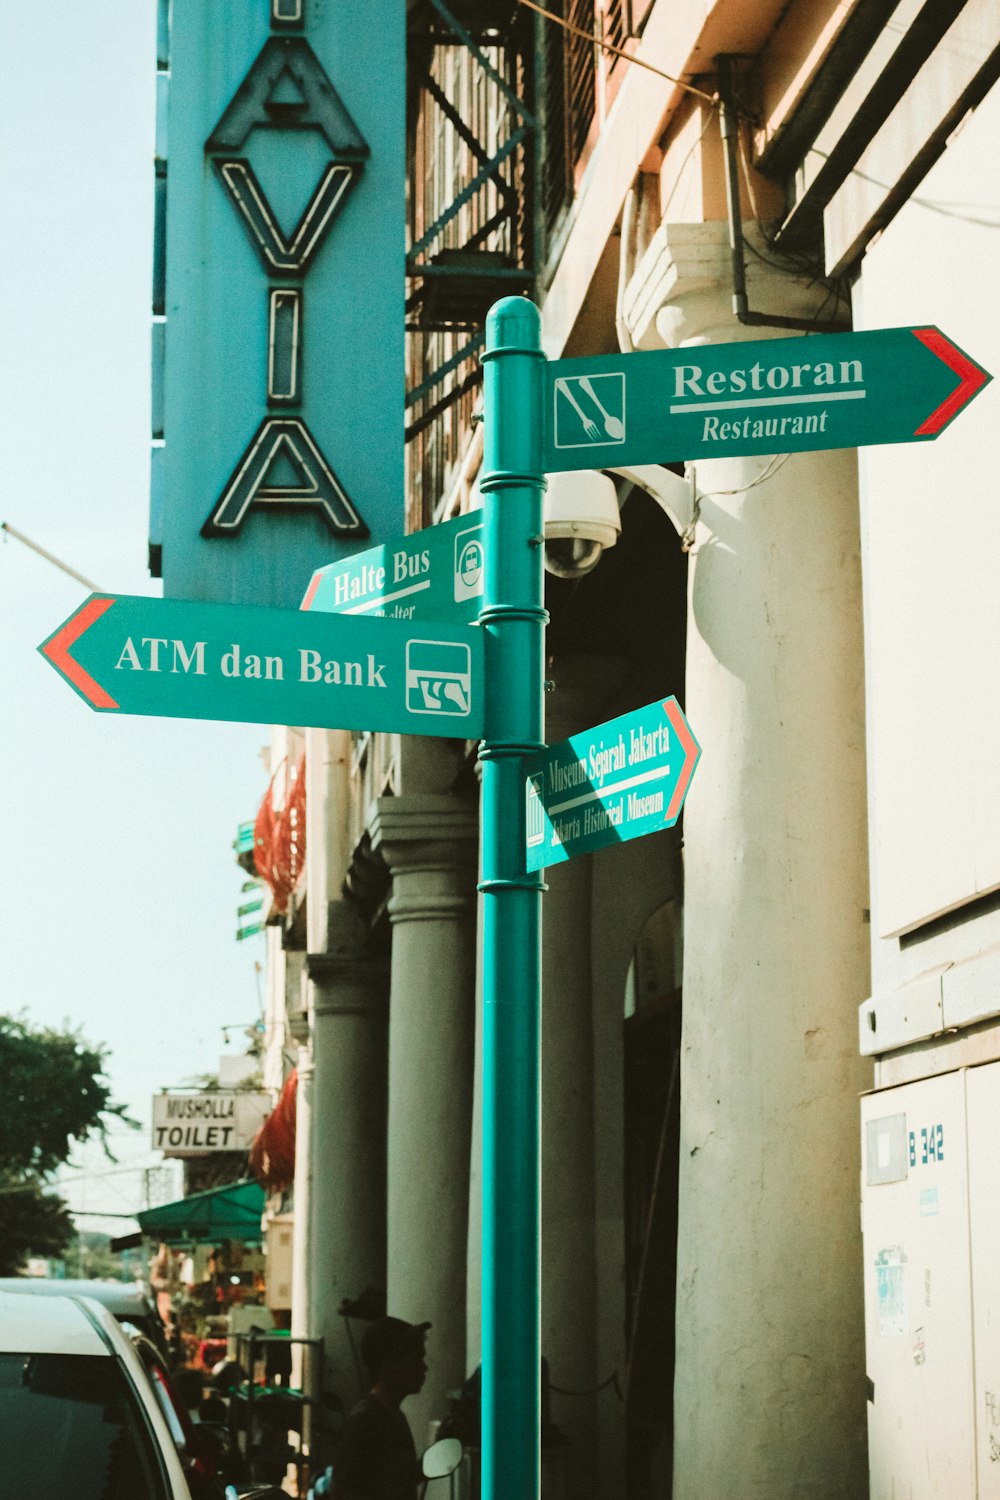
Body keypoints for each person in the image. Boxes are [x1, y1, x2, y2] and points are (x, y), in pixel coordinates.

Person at [313, 1316, 430, 1500]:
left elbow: (393, 1485)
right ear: (388, 1365)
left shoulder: (394, 1417)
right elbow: (341, 1493)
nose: (424, 1367)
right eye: (415, 1359)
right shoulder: (365, 1422)